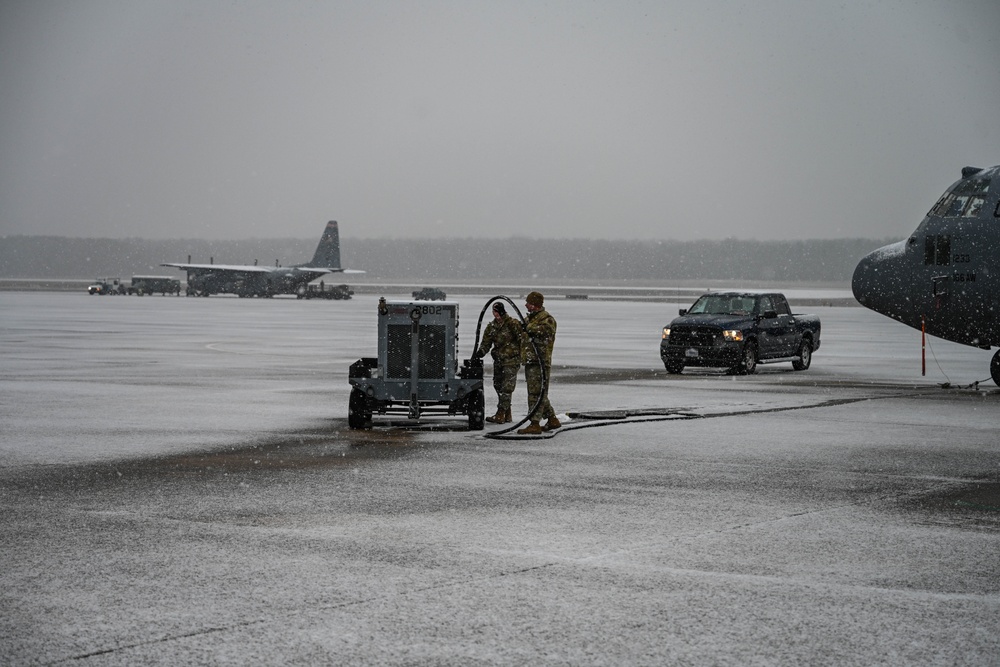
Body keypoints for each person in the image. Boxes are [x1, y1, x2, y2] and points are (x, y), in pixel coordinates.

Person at [518, 291, 560, 434]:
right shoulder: (530, 319)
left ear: (535, 304)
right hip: (531, 361)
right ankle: (552, 419)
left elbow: (545, 331)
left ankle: (534, 423)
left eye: (528, 302)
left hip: (540, 362)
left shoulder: (547, 319)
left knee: (535, 393)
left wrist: (528, 328)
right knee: (538, 392)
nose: (525, 305)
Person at [474, 302, 522, 424]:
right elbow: (486, 344)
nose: (495, 313)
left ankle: (501, 413)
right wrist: (479, 354)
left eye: (497, 311)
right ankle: (507, 413)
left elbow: (523, 339)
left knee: (507, 388)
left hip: (511, 361)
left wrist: (523, 355)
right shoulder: (492, 327)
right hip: (499, 361)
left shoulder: (513, 324)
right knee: (498, 385)